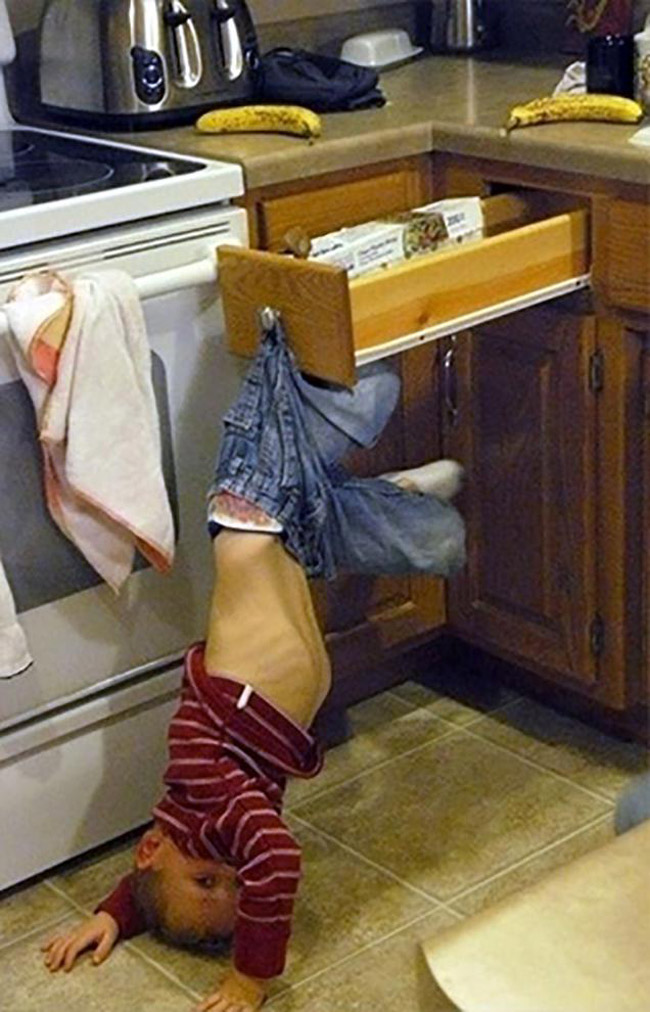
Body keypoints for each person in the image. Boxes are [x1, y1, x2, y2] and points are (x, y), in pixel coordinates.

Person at [41, 313, 466, 1012]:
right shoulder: (199, 829)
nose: (234, 871)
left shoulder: (209, 798)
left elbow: (275, 858)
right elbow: (164, 875)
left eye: (208, 881)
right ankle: (370, 500)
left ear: (151, 848)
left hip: (255, 504)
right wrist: (117, 915)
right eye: (233, 887)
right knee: (441, 544)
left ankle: (303, 363)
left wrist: (252, 975)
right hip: (293, 535)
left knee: (373, 383)